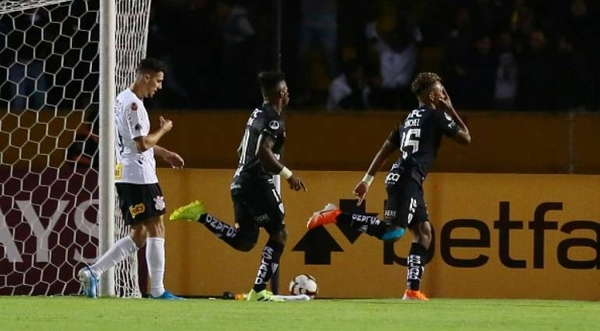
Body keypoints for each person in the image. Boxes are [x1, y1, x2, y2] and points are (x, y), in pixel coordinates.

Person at [307, 72, 471, 300]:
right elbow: (466, 138)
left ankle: (412, 290)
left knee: (423, 232)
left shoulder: (407, 120)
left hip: (403, 176)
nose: (444, 94)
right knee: (393, 232)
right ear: (434, 96)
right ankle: (336, 215)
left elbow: (386, 148)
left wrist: (367, 180)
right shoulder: (437, 116)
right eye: (442, 91)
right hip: (408, 179)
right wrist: (450, 108)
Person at [169, 71, 307, 302]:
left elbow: (241, 149)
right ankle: (259, 292)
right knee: (279, 233)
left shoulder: (256, 114)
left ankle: (201, 216)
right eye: (286, 90)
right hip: (256, 183)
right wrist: (288, 174)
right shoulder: (274, 120)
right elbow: (262, 151)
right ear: (281, 93)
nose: (288, 93)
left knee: (245, 241)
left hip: (240, 182)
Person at [77, 58, 185, 300]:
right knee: (157, 226)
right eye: (157, 81)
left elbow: (131, 142)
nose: (158, 87)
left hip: (125, 173)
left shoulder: (120, 100)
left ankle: (93, 272)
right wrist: (164, 130)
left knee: (139, 233)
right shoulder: (134, 106)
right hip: (140, 175)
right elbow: (142, 143)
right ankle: (157, 291)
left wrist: (164, 152)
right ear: (146, 77)